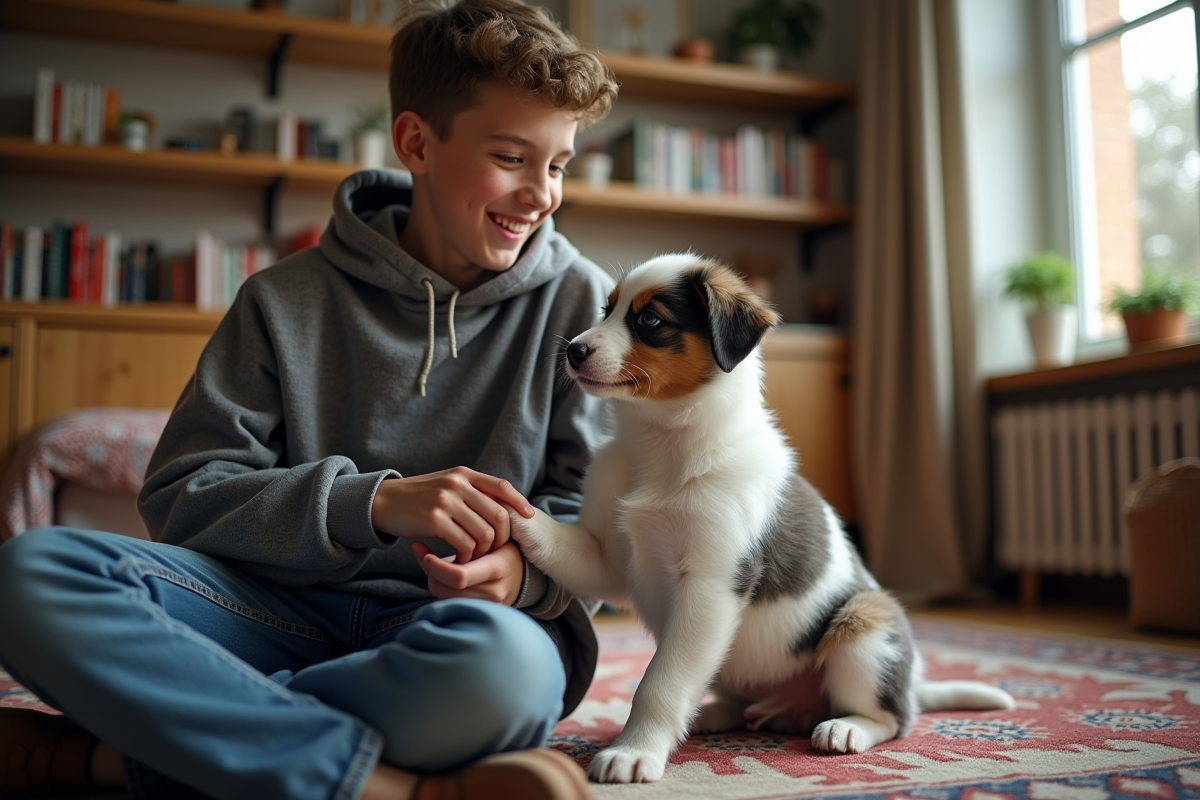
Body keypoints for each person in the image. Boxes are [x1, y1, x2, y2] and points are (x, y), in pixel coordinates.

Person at [0, 1, 619, 797]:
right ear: (416, 143)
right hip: (263, 615)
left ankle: (112, 757)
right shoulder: (278, 301)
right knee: (31, 574)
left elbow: (602, 520)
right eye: (511, 157)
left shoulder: (585, 306)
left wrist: (524, 575)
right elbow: (183, 497)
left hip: (452, 634)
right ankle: (397, 786)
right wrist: (370, 504)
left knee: (501, 675)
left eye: (559, 164)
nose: (542, 194)